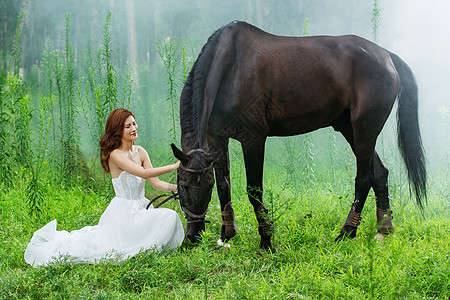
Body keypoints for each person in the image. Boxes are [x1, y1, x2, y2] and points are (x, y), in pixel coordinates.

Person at [24, 108, 184, 267]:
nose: (133, 128)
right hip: (124, 214)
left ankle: (147, 248)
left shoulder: (140, 151)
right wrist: (175, 166)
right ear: (117, 131)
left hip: (141, 208)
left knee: (170, 217)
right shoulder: (115, 155)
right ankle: (143, 249)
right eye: (127, 126)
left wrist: (180, 188)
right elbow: (142, 174)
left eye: (134, 124)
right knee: (166, 218)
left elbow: (155, 183)